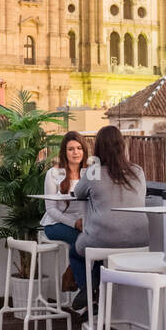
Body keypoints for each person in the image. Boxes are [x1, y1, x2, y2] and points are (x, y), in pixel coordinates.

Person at [69, 125, 149, 312]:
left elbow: (78, 193)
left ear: (98, 149)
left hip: (102, 240)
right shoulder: (137, 171)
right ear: (122, 146)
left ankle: (88, 290)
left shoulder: (93, 172)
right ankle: (94, 285)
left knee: (76, 250)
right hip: (140, 242)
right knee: (98, 244)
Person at [40, 131, 87, 293]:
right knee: (84, 241)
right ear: (64, 152)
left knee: (95, 241)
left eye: (79, 148)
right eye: (71, 149)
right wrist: (74, 223)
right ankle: (86, 289)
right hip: (55, 224)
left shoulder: (89, 174)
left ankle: (74, 277)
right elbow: (51, 209)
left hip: (83, 224)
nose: (76, 152)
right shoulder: (53, 174)